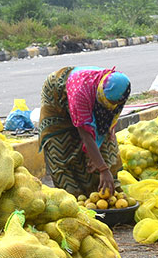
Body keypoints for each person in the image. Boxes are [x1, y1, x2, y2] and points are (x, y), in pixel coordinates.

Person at [38, 66, 131, 198]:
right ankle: (72, 197)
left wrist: (99, 156)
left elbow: (105, 123)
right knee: (62, 149)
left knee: (106, 145)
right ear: (100, 93)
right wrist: (103, 169)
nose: (110, 106)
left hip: (88, 95)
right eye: (106, 102)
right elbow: (86, 136)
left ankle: (106, 190)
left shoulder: (120, 88)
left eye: (113, 103)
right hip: (58, 98)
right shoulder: (80, 94)